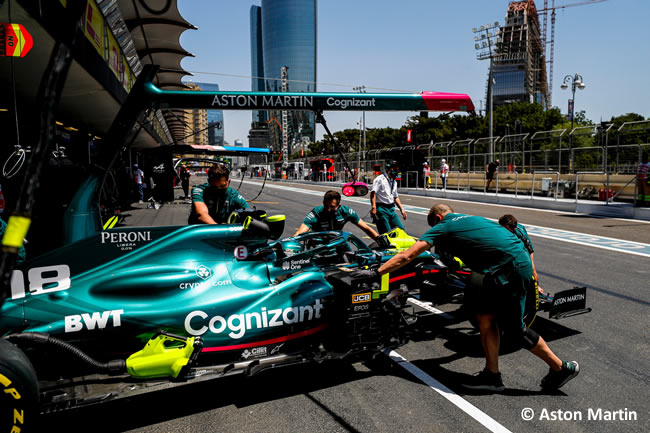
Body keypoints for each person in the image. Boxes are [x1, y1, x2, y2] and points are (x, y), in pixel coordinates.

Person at [377, 203, 579, 391]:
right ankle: (491, 376)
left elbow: (407, 255)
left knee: (515, 329)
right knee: (485, 317)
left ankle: (561, 367)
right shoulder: (472, 218)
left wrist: (376, 273)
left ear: (438, 218)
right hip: (507, 265)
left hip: (509, 270)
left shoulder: (443, 227)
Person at [293, 190, 382, 241]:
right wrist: (291, 242)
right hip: (318, 245)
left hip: (336, 243)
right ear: (323, 203)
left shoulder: (346, 211)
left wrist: (379, 239)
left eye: (331, 207)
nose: (328, 209)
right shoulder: (316, 212)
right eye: (326, 206)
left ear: (338, 206)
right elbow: (300, 232)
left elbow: (367, 228)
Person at [499, 214, 540, 288]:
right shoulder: (499, 230)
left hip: (522, 253)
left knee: (532, 270)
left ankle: (536, 287)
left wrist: (532, 268)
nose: (502, 230)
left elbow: (530, 250)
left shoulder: (520, 232)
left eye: (505, 228)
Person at [370, 161, 407, 234]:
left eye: (397, 170)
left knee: (400, 230)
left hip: (391, 209)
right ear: (388, 169)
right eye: (394, 169)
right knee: (387, 232)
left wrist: (401, 209)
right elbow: (373, 193)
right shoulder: (380, 179)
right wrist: (374, 207)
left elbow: (395, 196)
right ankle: (386, 245)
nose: (396, 172)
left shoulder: (394, 182)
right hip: (381, 209)